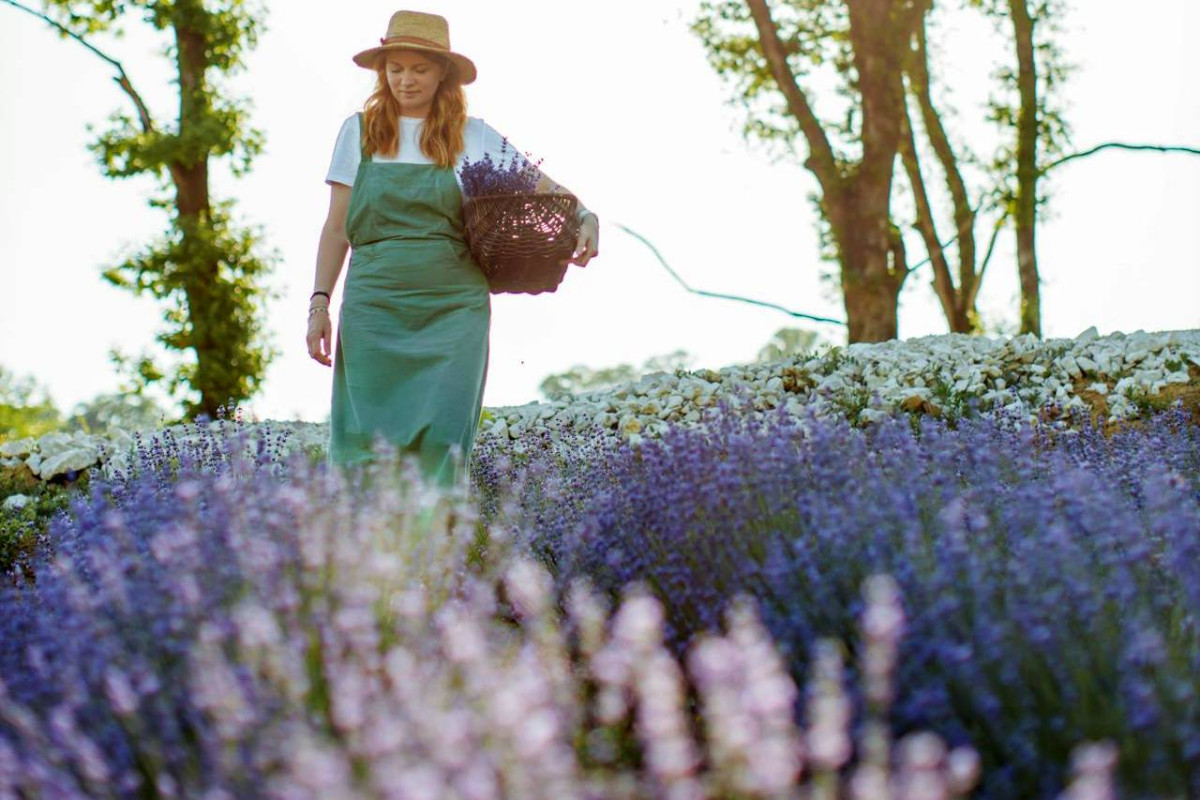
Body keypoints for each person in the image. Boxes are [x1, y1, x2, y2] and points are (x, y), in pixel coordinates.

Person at [306, 10, 599, 491]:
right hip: (374, 305)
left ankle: (435, 560)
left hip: (452, 309)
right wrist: (319, 303)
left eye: (418, 69)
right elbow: (336, 227)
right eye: (395, 69)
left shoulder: (473, 134)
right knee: (366, 445)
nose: (405, 80)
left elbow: (548, 190)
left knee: (444, 439)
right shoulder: (357, 132)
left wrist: (586, 215)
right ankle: (365, 556)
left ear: (442, 72)